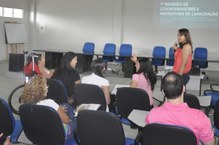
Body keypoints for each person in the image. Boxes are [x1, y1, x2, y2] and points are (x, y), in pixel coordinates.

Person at [146, 72, 215, 145]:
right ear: (184, 88)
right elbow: (210, 144)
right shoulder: (200, 118)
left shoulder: (152, 114)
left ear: (163, 92)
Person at [20, 76, 74, 142]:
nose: (47, 87)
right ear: (41, 91)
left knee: (65, 106)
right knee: (75, 120)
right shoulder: (49, 103)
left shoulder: (24, 104)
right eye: (46, 86)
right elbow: (66, 120)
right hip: (57, 138)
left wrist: (57, 109)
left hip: (36, 135)